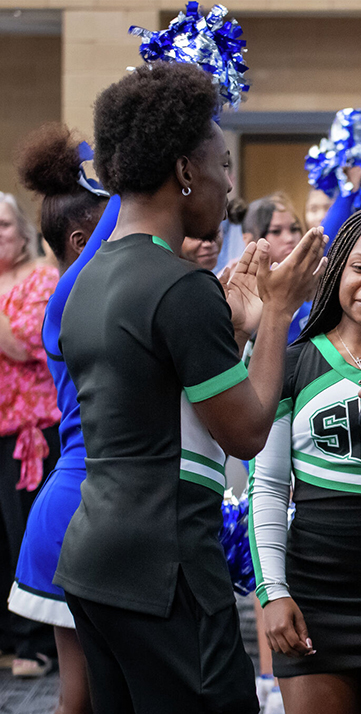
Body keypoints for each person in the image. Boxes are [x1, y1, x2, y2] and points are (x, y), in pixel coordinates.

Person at [53, 61, 326, 713]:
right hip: (165, 565)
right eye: (222, 165)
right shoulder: (181, 287)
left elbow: (158, 395)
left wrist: (234, 332)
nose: (228, 185)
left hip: (93, 557)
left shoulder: (89, 279)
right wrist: (279, 313)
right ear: (183, 171)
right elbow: (248, 433)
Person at [250, 206, 361, 714]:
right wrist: (273, 592)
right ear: (335, 272)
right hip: (313, 601)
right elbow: (267, 486)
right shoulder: (292, 363)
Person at [7, 122, 112, 710]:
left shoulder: (101, 298)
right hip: (77, 510)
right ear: (80, 242)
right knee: (80, 699)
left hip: (101, 504)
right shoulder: (66, 296)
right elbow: (126, 208)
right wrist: (143, 155)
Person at [0, 190, 60, 678]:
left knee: (25, 534)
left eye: (2, 224)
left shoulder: (42, 278)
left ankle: (36, 642)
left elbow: (22, 345)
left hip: (31, 431)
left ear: (22, 231)